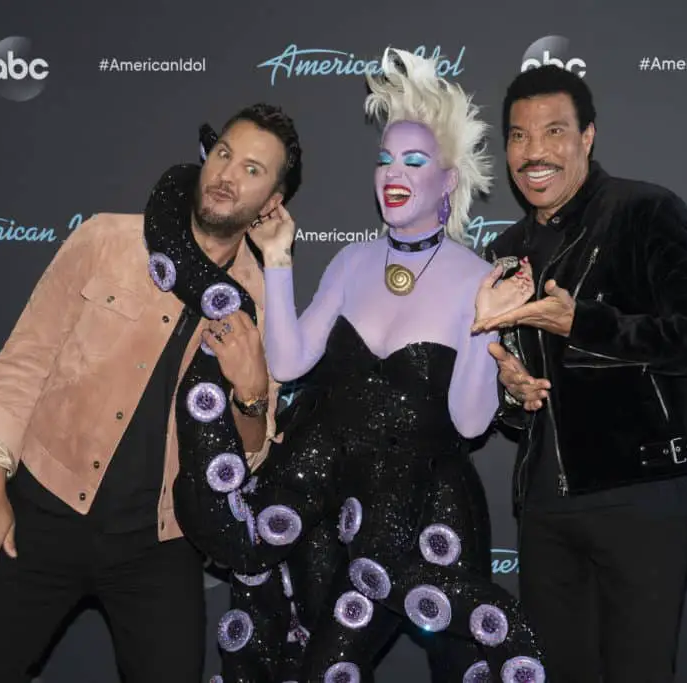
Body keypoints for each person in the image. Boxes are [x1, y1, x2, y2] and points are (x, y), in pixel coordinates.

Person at [156, 48, 546, 683]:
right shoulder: (350, 261)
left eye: (414, 161)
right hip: (330, 500)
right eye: (385, 159)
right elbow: (289, 360)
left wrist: (485, 323)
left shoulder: (477, 278)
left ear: (447, 181)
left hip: (423, 516)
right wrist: (277, 258)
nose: (393, 172)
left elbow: (472, 422)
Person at [0, 103, 299, 683]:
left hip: (160, 544)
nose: (228, 175)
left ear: (272, 203)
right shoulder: (107, 239)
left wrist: (252, 391)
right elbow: (27, 358)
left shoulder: (262, 305)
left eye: (252, 170)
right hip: (42, 513)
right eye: (224, 154)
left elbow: (247, 461)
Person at [471, 65, 687, 683]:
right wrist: (512, 392)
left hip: (640, 495)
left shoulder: (645, 211)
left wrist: (584, 324)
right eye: (518, 135)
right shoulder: (505, 251)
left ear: (587, 137)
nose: (534, 152)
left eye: (554, 131)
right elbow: (523, 393)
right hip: (544, 509)